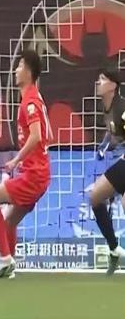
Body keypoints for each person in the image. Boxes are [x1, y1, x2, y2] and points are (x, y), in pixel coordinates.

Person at [0, 49, 52, 279]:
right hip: (39, 175)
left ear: (29, 72)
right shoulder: (34, 98)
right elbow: (46, 136)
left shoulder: (30, 102)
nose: (15, 70)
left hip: (34, 176)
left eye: (20, 66)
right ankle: (10, 267)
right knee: (9, 222)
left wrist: (16, 160)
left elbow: (36, 136)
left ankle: (5, 260)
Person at [90, 68, 125, 276]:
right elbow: (112, 131)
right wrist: (103, 146)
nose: (98, 82)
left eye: (102, 79)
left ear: (113, 85)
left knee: (97, 195)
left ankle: (114, 249)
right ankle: (114, 249)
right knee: (97, 198)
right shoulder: (108, 107)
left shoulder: (122, 108)